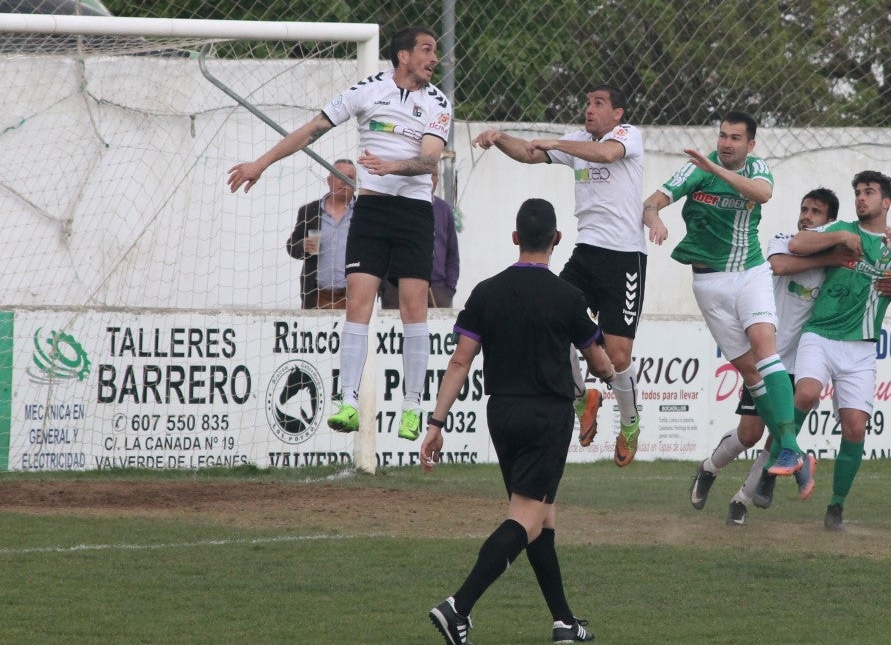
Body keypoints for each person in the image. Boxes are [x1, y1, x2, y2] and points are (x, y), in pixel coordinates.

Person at [229, 25, 450, 442]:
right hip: (372, 211)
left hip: (415, 213)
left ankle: (412, 406)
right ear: (403, 56)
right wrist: (260, 163)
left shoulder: (438, 102)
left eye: (434, 51)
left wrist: (392, 167)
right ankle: (347, 402)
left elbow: (429, 163)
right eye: (426, 49)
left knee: (413, 307)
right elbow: (311, 129)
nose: (433, 58)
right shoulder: (367, 90)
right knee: (358, 302)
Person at [423, 198, 615, 645]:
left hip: (502, 414)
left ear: (515, 238)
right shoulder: (569, 298)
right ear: (556, 240)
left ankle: (564, 622)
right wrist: (611, 377)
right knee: (526, 519)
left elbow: (459, 362)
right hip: (546, 417)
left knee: (542, 518)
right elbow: (600, 362)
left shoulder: (486, 292)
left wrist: (436, 421)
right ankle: (458, 607)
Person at [689, 189, 891, 525]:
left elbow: (879, 278)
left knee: (777, 438)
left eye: (816, 212)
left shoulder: (842, 260)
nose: (807, 216)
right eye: (804, 209)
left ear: (829, 222)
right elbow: (778, 265)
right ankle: (710, 468)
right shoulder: (785, 239)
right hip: (767, 358)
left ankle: (742, 499)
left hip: (802, 359)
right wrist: (829, 259)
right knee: (749, 434)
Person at [472, 86, 646, 466]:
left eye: (598, 104)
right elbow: (528, 153)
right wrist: (500, 138)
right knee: (557, 322)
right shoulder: (576, 141)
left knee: (617, 356)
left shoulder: (628, 136)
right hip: (586, 253)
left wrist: (556, 142)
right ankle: (584, 398)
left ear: (617, 113)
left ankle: (630, 422)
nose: (589, 109)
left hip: (624, 259)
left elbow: (606, 153)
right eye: (587, 103)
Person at [642, 110, 809, 483]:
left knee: (766, 350)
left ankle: (788, 447)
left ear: (750, 145)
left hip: (750, 274)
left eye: (735, 138)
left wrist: (715, 170)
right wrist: (655, 219)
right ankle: (788, 446)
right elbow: (651, 202)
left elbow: (762, 194)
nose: (726, 144)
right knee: (751, 372)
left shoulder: (755, 169)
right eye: (722, 136)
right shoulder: (696, 169)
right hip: (709, 283)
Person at [787, 170, 891, 531]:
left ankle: (835, 508)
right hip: (820, 334)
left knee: (854, 429)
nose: (861, 197)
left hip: (860, 349)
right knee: (805, 394)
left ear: (886, 202)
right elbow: (797, 244)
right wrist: (837, 239)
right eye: (858, 192)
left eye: (869, 192)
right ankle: (781, 458)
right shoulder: (844, 230)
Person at [286, 159, 357, 309]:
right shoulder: (309, 211)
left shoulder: (364, 213)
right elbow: (291, 246)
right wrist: (303, 245)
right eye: (340, 176)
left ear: (356, 183)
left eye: (350, 177)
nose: (344, 181)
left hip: (354, 296)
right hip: (317, 295)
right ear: (329, 180)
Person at [379, 180, 460, 309]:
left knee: (434, 328)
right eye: (427, 176)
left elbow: (452, 254)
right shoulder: (394, 205)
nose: (430, 181)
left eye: (434, 176)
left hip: (436, 289)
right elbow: (381, 249)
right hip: (396, 288)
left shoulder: (443, 209)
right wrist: (384, 286)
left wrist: (448, 289)